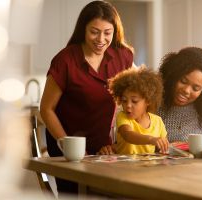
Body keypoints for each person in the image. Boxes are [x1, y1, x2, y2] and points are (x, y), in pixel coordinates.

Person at [40, 0, 134, 196]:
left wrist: (117, 142)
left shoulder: (123, 56)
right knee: (74, 195)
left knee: (104, 193)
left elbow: (132, 99)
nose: (101, 39)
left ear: (115, 32)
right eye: (94, 31)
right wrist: (66, 143)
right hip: (67, 142)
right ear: (83, 29)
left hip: (102, 145)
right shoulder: (65, 60)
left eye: (107, 32)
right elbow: (46, 109)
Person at [108, 67, 169, 154]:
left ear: (148, 101)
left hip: (148, 166)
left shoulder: (158, 121)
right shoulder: (123, 117)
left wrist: (163, 146)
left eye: (134, 101)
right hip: (124, 166)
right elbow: (128, 135)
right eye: (124, 101)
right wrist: (151, 139)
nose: (128, 105)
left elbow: (164, 147)